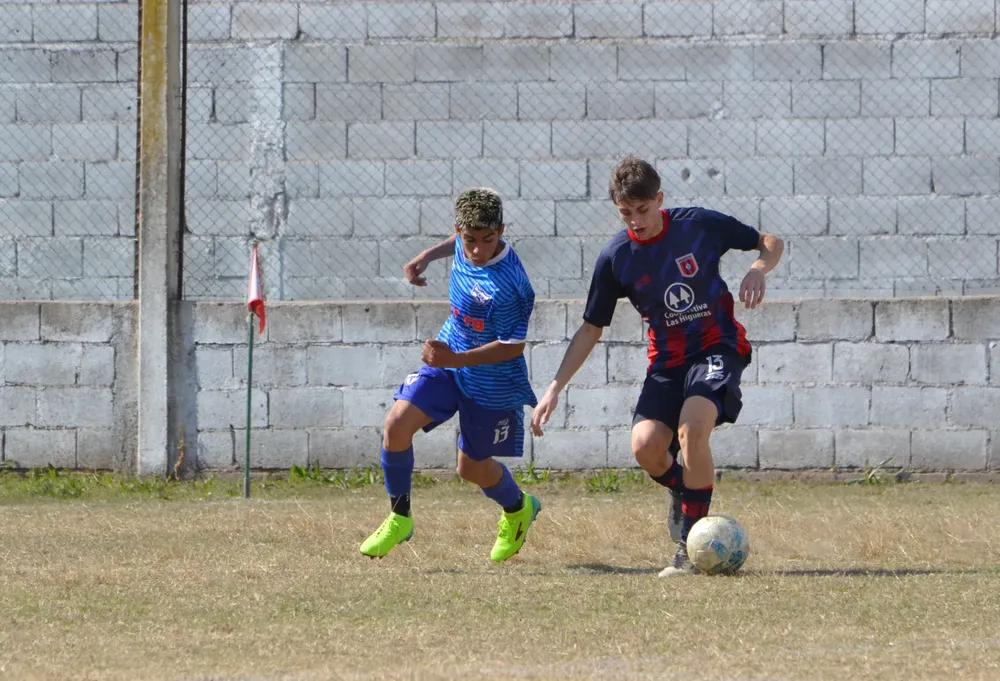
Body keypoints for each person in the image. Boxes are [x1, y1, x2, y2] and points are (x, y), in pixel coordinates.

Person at [530, 156, 784, 576]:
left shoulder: (698, 225)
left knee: (692, 429)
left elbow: (769, 241)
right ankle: (687, 495)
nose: (636, 221)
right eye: (626, 213)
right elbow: (591, 328)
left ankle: (688, 546)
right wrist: (555, 387)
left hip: (717, 348)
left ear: (659, 200)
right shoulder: (616, 257)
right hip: (666, 364)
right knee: (646, 447)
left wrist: (758, 268)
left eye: (643, 210)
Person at [360, 187, 542, 562]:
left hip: (492, 383)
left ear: (501, 231)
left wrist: (455, 360)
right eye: (469, 240)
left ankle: (518, 507)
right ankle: (399, 516)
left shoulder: (512, 287)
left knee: (471, 469)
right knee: (395, 424)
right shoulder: (463, 241)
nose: (477, 250)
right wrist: (427, 256)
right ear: (459, 230)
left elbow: (512, 346)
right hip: (448, 361)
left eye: (487, 240)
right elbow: (457, 244)